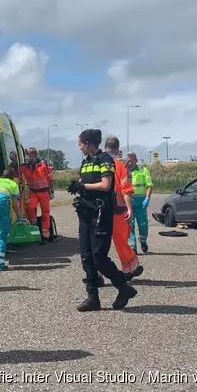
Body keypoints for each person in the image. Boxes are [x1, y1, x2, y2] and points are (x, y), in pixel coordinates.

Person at [67, 129, 137, 312]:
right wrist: (79, 191)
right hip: (86, 213)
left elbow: (106, 186)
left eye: (80, 143)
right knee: (86, 256)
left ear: (88, 143)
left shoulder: (105, 160)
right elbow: (87, 185)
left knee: (99, 257)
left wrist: (83, 185)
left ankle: (123, 287)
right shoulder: (85, 162)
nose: (79, 146)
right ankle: (93, 298)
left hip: (101, 213)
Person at [104, 136, 143, 280]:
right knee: (120, 240)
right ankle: (130, 267)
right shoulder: (122, 165)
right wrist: (130, 209)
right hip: (119, 210)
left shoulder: (99, 162)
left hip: (101, 210)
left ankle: (99, 273)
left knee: (101, 244)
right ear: (117, 148)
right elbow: (126, 189)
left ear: (105, 147)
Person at [19, 147, 54, 242]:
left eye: (28, 154)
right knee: (30, 207)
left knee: (45, 212)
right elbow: (15, 169)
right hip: (33, 192)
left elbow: (50, 179)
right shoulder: (24, 167)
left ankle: (45, 235)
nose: (26, 156)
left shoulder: (43, 165)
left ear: (33, 155)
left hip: (44, 192)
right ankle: (33, 223)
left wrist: (52, 192)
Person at [126, 152, 153, 253]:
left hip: (141, 201)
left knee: (143, 224)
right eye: (128, 161)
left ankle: (143, 241)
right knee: (130, 224)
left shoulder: (143, 170)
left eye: (131, 160)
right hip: (129, 201)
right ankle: (132, 246)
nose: (129, 163)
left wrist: (147, 198)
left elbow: (149, 185)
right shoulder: (125, 172)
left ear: (136, 160)